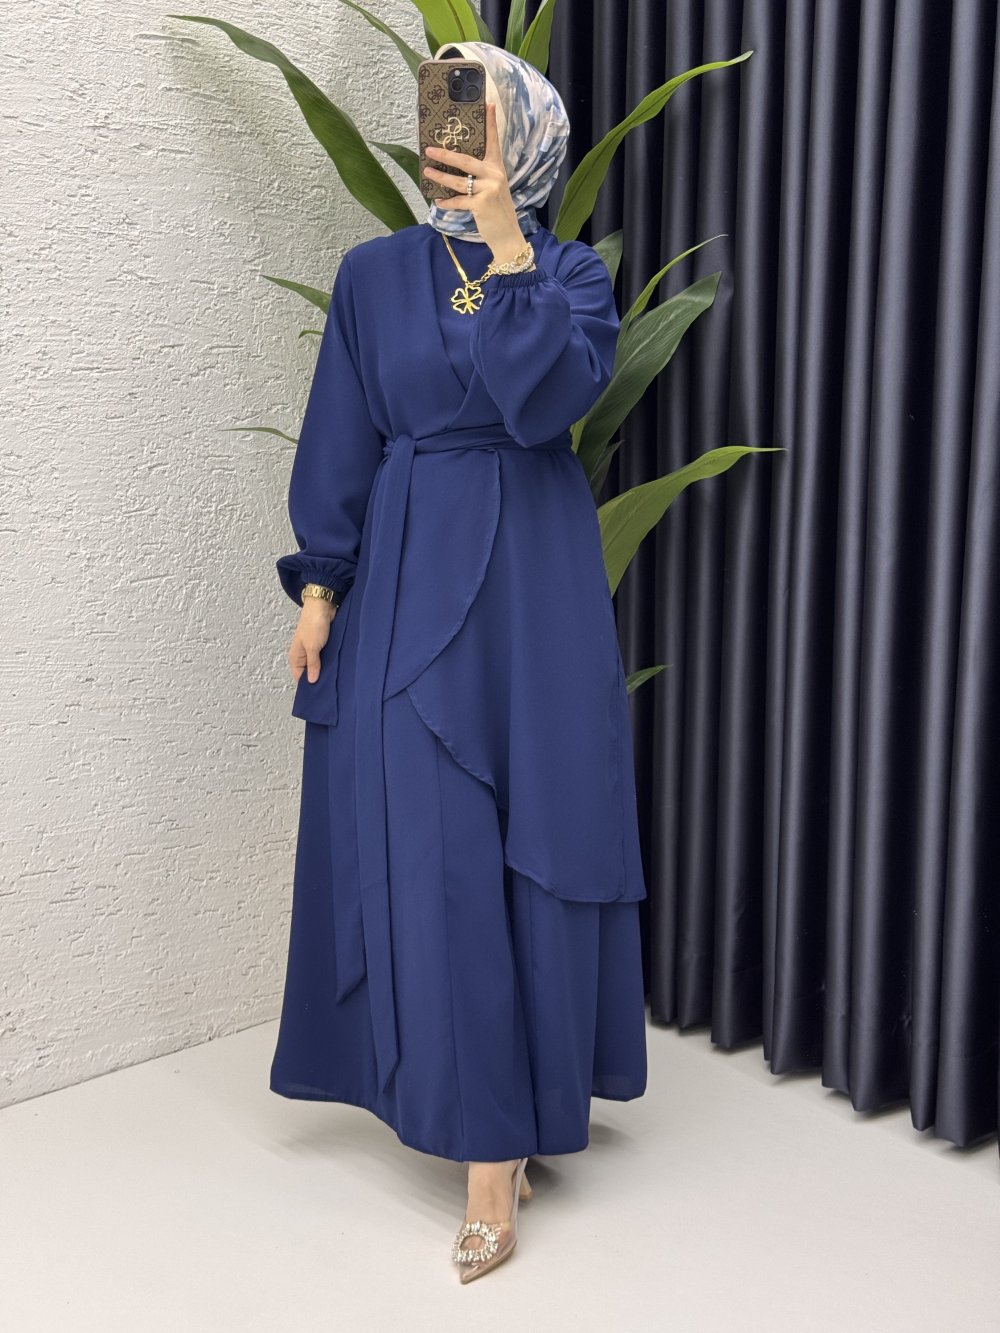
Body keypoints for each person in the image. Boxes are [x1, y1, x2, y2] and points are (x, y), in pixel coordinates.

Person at [269, 40, 648, 1283]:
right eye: (446, 113)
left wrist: (504, 242)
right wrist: (319, 585)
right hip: (407, 573)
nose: (458, 135)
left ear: (522, 135)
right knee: (430, 846)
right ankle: (483, 1134)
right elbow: (343, 434)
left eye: (482, 116)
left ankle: (509, 1138)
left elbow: (545, 403)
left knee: (535, 835)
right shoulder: (373, 276)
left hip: (535, 586)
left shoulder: (568, 274)